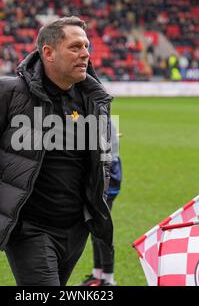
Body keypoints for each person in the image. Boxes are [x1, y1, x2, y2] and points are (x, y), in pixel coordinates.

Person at [0, 16, 113, 286]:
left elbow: (99, 163)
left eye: (86, 46)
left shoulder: (93, 100)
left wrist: (96, 208)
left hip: (75, 229)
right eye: (75, 47)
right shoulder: (8, 93)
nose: (85, 54)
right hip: (28, 227)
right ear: (48, 53)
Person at [78, 122, 122, 286]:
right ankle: (98, 276)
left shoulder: (101, 119)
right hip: (96, 182)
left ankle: (109, 280)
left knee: (102, 230)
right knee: (94, 230)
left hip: (106, 184)